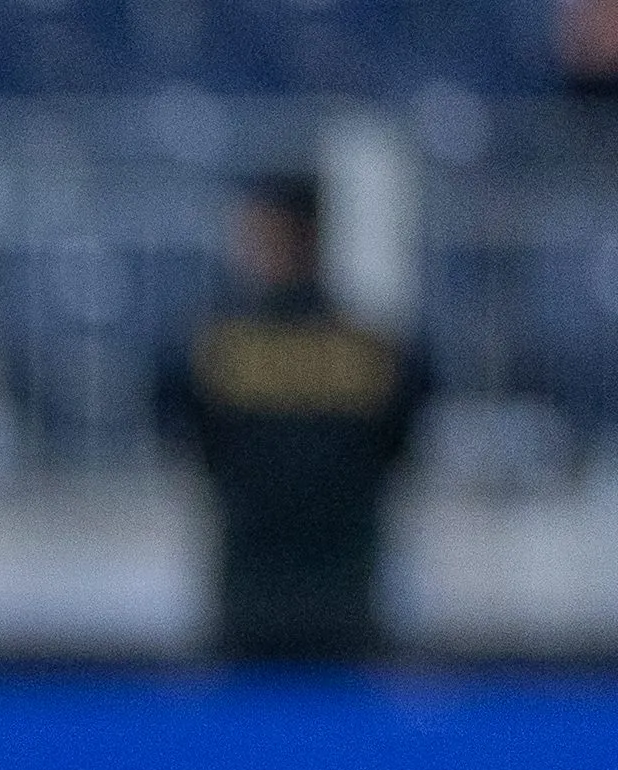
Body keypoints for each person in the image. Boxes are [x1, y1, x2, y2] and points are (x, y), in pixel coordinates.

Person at [152, 176, 428, 663]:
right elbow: (400, 448)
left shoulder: (209, 352)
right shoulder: (380, 352)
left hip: (249, 596)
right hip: (347, 597)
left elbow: (188, 440)